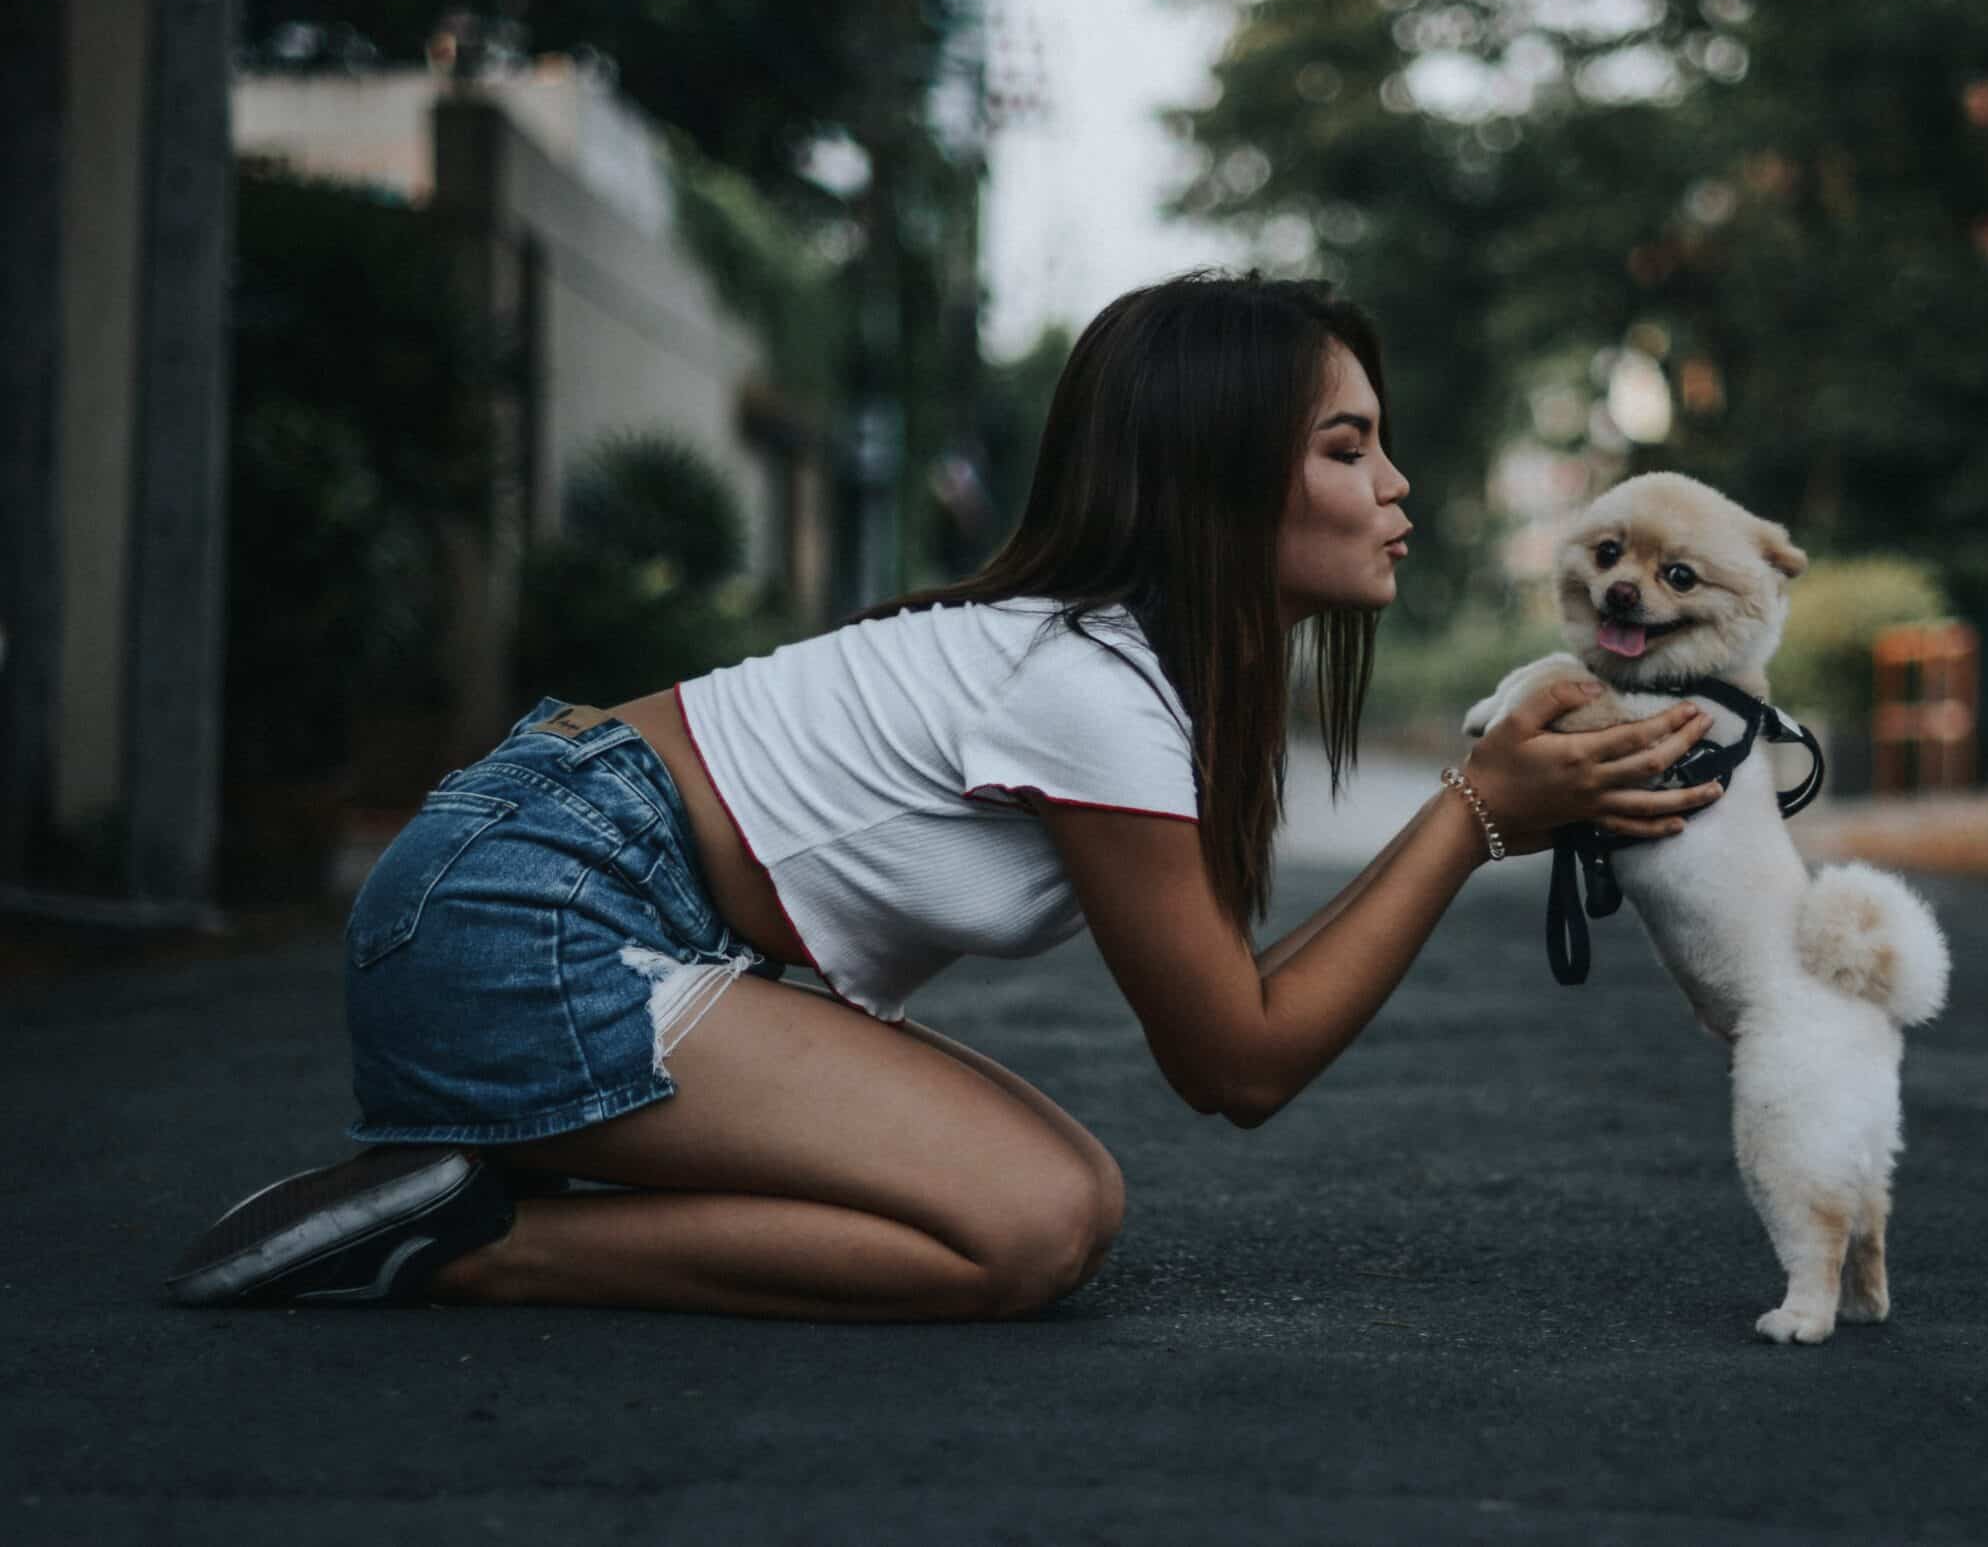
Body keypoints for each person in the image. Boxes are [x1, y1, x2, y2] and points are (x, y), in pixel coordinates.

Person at [163, 268, 1725, 1322]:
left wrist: (1527, 789)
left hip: (572, 905)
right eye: (1348, 446)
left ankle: (473, 1197)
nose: (1399, 488)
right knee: (1033, 1220)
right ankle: (475, 1245)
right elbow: (1236, 1064)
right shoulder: (1090, 684)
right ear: (1218, 474)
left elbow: (1228, 1022)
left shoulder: (1134, 682)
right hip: (523, 917)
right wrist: (1471, 815)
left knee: (1049, 1211)